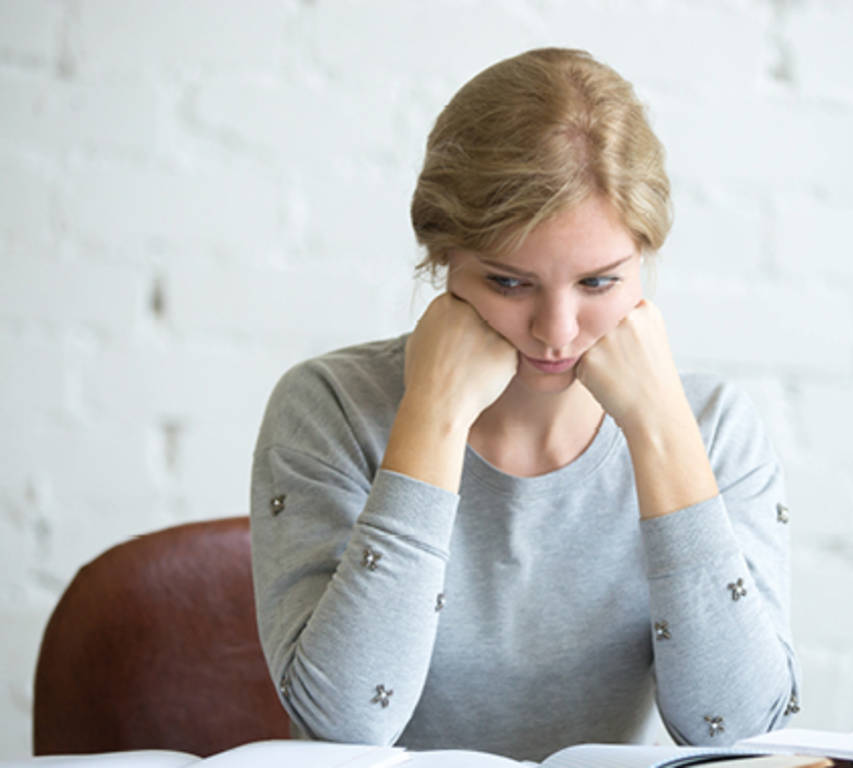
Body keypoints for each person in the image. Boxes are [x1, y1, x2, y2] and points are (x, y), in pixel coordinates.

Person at [249, 47, 800, 762]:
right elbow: (344, 730)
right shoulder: (329, 408)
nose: (557, 331)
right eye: (510, 283)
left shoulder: (714, 427)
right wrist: (434, 417)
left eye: (599, 283)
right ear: (444, 258)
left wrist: (661, 429)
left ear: (643, 260)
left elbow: (740, 729)